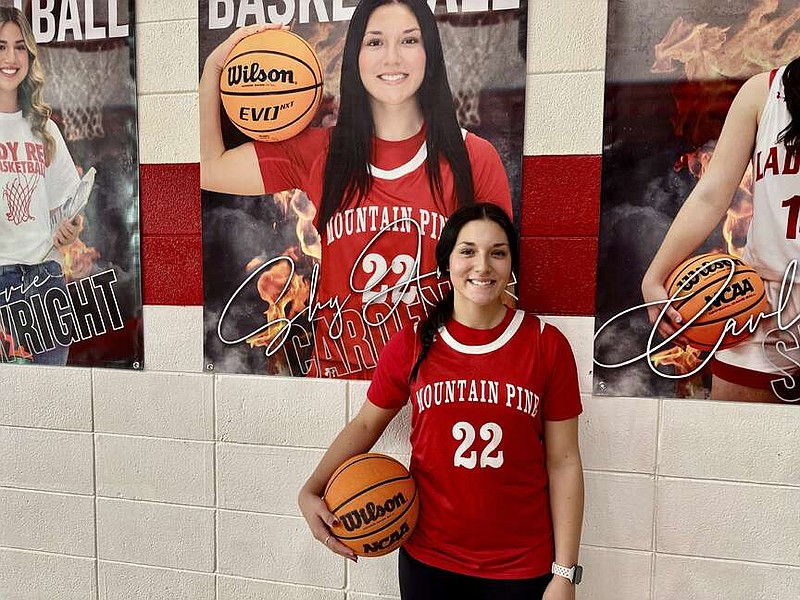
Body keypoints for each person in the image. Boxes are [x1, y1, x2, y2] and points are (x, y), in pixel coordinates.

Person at [199, 0, 512, 380]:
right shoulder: (320, 153)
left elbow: (502, 292)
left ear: (430, 52)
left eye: (409, 41)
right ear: (356, 57)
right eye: (375, 42)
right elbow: (209, 168)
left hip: (434, 389)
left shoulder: (474, 158)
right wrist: (215, 66)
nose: (392, 58)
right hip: (337, 384)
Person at [299, 203, 584, 600]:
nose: (482, 266)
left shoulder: (546, 344)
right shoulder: (413, 343)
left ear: (510, 265)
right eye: (467, 251)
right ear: (446, 262)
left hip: (520, 565)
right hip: (429, 561)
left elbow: (564, 461)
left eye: (497, 252)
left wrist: (565, 573)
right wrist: (310, 489)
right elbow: (366, 425)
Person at [642, 57, 800, 402]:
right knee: (737, 447)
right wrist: (654, 277)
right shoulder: (763, 92)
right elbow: (711, 196)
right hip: (765, 304)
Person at [0, 7, 83, 366]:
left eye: (20, 47)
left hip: (45, 280)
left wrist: (71, 229)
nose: (10, 58)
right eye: (0, 46)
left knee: (52, 399)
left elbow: (72, 207)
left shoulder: (43, 128)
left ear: (29, 55)